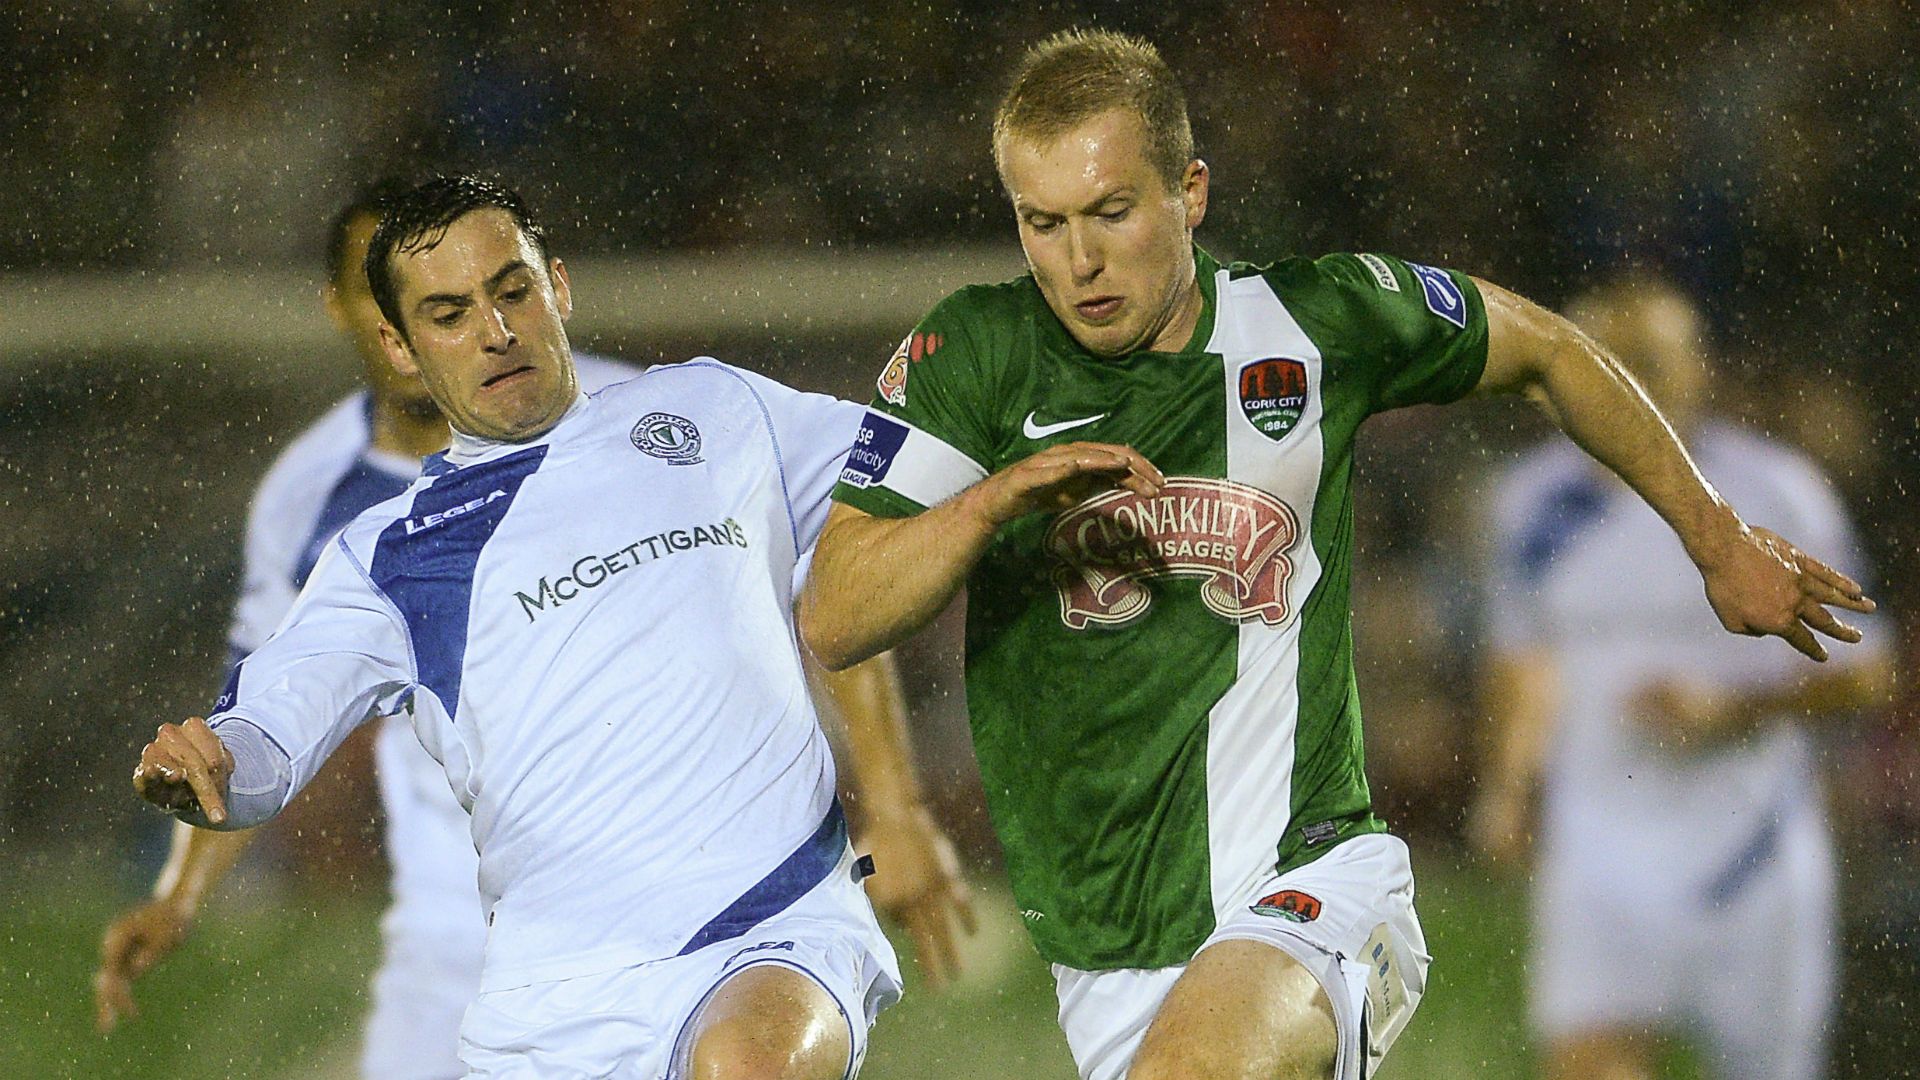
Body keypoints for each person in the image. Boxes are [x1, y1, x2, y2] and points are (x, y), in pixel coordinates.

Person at [795, 29, 1875, 1080]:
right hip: (1107, 949)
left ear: (1191, 193)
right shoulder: (970, 357)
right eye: (1043, 223)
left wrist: (1714, 536)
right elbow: (838, 612)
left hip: (1311, 879)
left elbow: (1549, 350)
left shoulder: (1319, 321)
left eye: (1112, 213)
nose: (1079, 260)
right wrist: (989, 505)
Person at [130, 175, 969, 1079]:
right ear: (398, 345)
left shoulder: (710, 412)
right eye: (449, 314)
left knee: (750, 1066)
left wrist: (1023, 451)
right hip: (558, 1000)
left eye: (512, 291)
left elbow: (915, 471)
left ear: (557, 287)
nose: (495, 332)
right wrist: (216, 766)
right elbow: (270, 728)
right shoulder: (386, 556)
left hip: (775, 927)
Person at [93, 180, 646, 1078]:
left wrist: (881, 808)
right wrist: (181, 896)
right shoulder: (311, 495)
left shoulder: (629, 420)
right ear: (361, 311)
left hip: (638, 900)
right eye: (381, 285)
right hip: (450, 933)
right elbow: (261, 709)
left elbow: (807, 580)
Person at [1467, 276, 1892, 1080]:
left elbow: (1870, 674)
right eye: (1602, 362)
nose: (1626, 385)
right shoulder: (1529, 505)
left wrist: (1730, 709)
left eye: (1650, 363)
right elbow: (1523, 659)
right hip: (1599, 848)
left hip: (1751, 853)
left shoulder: (1778, 492)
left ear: (1700, 369)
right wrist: (1509, 786)